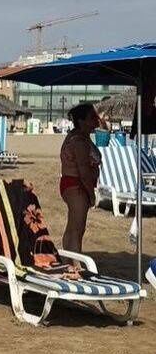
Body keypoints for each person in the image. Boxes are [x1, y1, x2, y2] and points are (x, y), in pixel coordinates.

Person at [59, 103, 102, 253]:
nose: (96, 120)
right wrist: (91, 194)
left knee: (73, 226)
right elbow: (84, 171)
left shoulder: (77, 137)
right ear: (82, 121)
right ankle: (75, 262)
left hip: (72, 184)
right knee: (77, 229)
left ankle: (68, 259)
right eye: (92, 117)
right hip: (76, 186)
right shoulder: (79, 141)